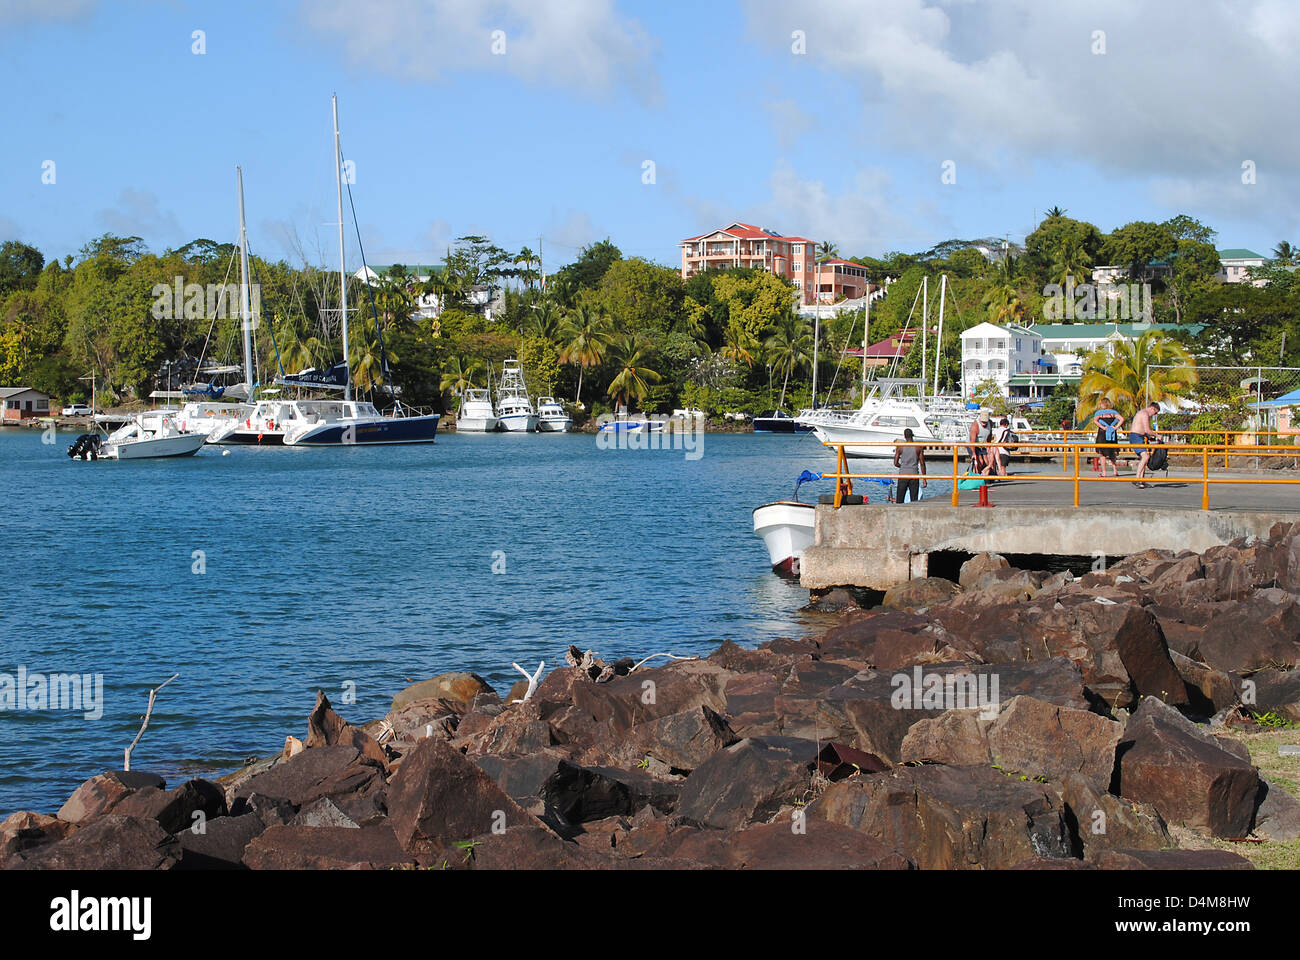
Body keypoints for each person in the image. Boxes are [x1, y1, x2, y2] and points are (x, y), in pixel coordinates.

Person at [1130, 402, 1161, 488]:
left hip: (1140, 436)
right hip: (1136, 436)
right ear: (1152, 408)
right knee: (1145, 457)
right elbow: (1147, 429)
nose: (1153, 415)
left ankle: (1141, 480)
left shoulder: (1143, 413)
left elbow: (1144, 430)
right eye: (1155, 413)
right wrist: (1157, 435)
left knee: (1144, 459)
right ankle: (1137, 479)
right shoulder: (1144, 414)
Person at [1092, 399, 1125, 478]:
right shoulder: (1114, 413)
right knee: (1112, 452)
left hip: (1102, 433)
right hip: (1112, 433)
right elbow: (1122, 419)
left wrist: (1103, 427)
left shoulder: (1099, 413)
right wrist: (1115, 427)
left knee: (1102, 453)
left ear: (1103, 404)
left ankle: (1104, 472)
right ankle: (1115, 470)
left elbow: (1095, 421)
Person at [893, 428, 927, 503]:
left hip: (903, 474)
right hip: (914, 474)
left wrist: (902, 466)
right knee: (914, 499)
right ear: (912, 436)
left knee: (900, 499)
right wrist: (924, 479)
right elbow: (922, 464)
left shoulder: (900, 447)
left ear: (905, 436)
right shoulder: (918, 447)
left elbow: (895, 463)